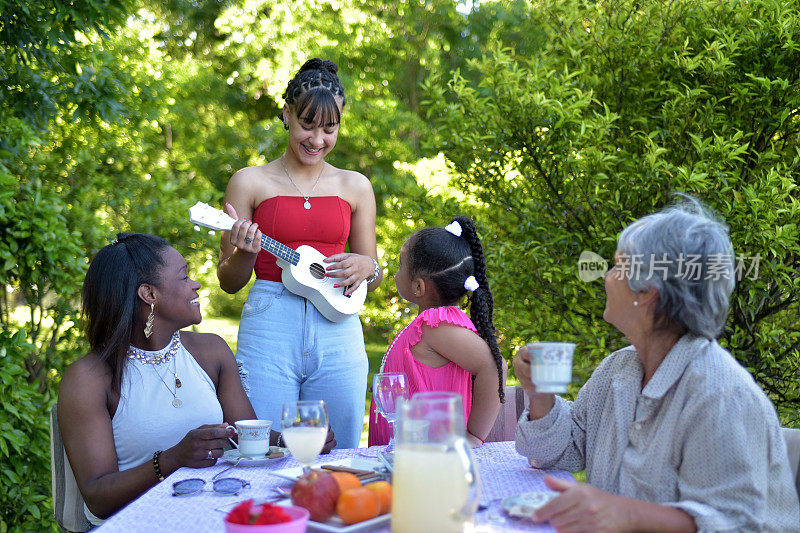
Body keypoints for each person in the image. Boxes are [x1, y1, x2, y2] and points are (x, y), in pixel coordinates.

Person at [513, 197, 800, 531]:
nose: (606, 276)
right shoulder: (619, 369)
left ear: (647, 291)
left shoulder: (721, 395)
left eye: (618, 266)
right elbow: (565, 450)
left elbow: (738, 524)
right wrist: (540, 394)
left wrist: (625, 514)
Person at [58, 233, 336, 525]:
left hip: (219, 510)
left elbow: (248, 435)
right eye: (184, 277)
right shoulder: (88, 379)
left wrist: (292, 440)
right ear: (149, 294)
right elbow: (98, 497)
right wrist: (172, 459)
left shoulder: (210, 351)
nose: (196, 284)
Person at [217, 58, 381, 449]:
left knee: (338, 449)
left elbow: (370, 270)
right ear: (287, 114)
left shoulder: (356, 186)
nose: (317, 139)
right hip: (269, 321)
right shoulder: (249, 181)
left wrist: (367, 266)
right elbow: (228, 281)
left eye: (329, 128)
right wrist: (245, 252)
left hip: (338, 326)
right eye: (308, 125)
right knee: (265, 445)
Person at [368, 216, 507, 448]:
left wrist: (473, 435)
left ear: (419, 286)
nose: (396, 271)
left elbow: (494, 366)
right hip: (408, 454)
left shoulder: (435, 325)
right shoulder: (428, 326)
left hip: (430, 456)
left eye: (402, 265)